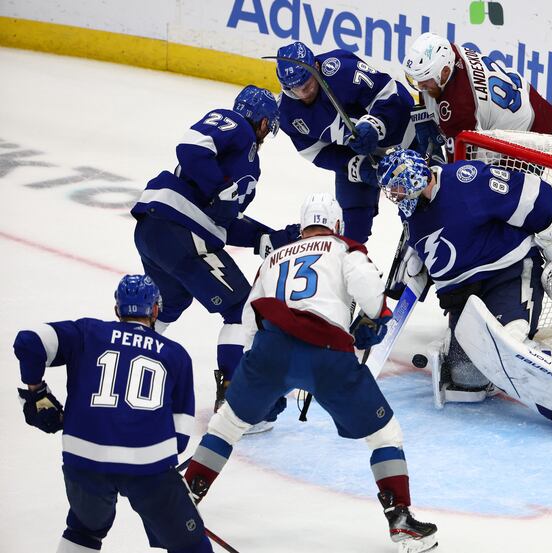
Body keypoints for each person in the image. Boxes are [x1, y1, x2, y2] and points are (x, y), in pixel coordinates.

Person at [182, 193, 438, 553]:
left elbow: (249, 319)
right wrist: (373, 320)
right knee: (385, 435)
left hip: (271, 350)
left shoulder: (272, 258)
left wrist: (260, 369)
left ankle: (187, 496)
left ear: (302, 228)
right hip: (328, 353)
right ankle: (400, 520)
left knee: (226, 426)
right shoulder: (344, 248)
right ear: (336, 225)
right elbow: (370, 294)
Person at [376, 149, 552, 438]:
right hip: (464, 295)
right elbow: (425, 241)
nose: (395, 196)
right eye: (391, 190)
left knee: (509, 343)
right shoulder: (410, 209)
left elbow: (531, 193)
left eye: (399, 187)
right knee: (465, 379)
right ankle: (494, 371)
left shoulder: (466, 180)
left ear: (414, 178)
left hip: (507, 271)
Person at [131, 85, 297, 426]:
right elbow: (190, 148)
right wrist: (217, 187)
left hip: (157, 231)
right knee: (241, 307)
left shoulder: (244, 163)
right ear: (264, 122)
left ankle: (126, 367)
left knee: (170, 303)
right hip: (179, 229)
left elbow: (222, 220)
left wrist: (268, 236)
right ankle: (236, 406)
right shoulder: (234, 123)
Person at [13, 274, 213, 553]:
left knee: (83, 529)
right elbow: (180, 435)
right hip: (149, 468)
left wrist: (36, 392)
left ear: (117, 310)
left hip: (83, 461)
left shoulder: (87, 333)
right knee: (190, 545)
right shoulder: (175, 354)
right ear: (155, 310)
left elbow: (28, 341)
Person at [274, 41, 419, 244]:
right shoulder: (287, 112)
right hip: (356, 155)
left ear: (316, 67)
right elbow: (315, 152)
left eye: (306, 84)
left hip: (402, 141)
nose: (303, 93)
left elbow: (393, 95)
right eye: (294, 89)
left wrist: (374, 126)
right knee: (349, 232)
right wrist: (356, 167)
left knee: (419, 212)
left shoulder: (342, 69)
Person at [403, 32, 552, 161]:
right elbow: (428, 95)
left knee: (489, 190)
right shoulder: (448, 52)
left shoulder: (459, 108)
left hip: (529, 134)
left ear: (444, 72)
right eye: (417, 80)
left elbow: (460, 171)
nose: (420, 87)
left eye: (425, 80)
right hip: (523, 101)